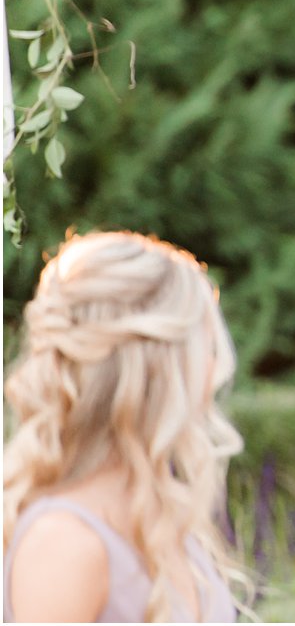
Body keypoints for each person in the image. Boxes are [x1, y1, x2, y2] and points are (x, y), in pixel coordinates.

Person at [4, 230, 243, 623]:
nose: (212, 371)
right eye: (202, 347)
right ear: (158, 367)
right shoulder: (65, 542)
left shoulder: (162, 516)